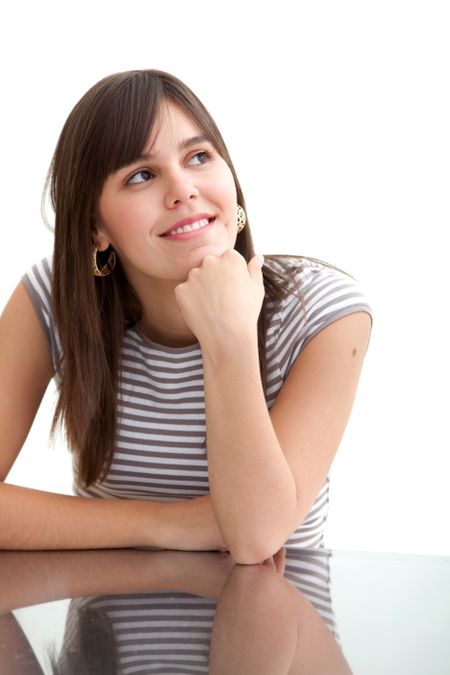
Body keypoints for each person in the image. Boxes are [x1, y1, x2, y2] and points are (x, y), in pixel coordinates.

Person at [0, 69, 372, 564]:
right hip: (108, 628)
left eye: (199, 157)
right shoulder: (54, 298)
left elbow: (255, 538)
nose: (183, 190)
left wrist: (228, 335)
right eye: (141, 175)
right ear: (95, 227)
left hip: (272, 629)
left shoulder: (321, 311)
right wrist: (171, 523)